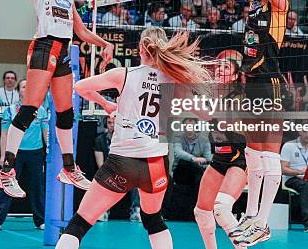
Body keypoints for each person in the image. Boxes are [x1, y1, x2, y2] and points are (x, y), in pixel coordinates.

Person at [56, 26, 213, 249]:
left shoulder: (124, 74)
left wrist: (107, 104)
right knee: (154, 221)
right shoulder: (174, 82)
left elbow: (80, 87)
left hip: (121, 163)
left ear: (140, 48)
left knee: (79, 223)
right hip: (155, 165)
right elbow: (206, 114)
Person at [0, 0, 114, 197]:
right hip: (44, 45)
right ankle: (5, 173)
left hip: (64, 49)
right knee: (30, 109)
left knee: (66, 112)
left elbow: (80, 31)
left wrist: (105, 43)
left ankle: (69, 168)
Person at [226, 0, 289, 246]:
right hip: (250, 83)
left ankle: (263, 222)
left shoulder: (280, 5)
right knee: (252, 154)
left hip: (271, 83)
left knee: (268, 153)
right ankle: (250, 217)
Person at [194, 59, 247, 249]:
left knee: (222, 209)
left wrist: (190, 103)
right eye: (218, 66)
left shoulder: (239, 97)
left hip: (240, 159)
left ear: (234, 76)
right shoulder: (209, 96)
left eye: (226, 67)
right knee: (201, 212)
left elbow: (221, 120)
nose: (219, 70)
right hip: (219, 158)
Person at [0, 79, 48, 231]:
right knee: (7, 184)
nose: (27, 88)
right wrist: (4, 154)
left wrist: (49, 152)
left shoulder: (40, 110)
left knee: (37, 186)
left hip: (36, 153)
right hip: (14, 154)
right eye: (23, 86)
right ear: (19, 91)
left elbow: (45, 133)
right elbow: (4, 134)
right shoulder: (10, 110)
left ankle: (40, 220)